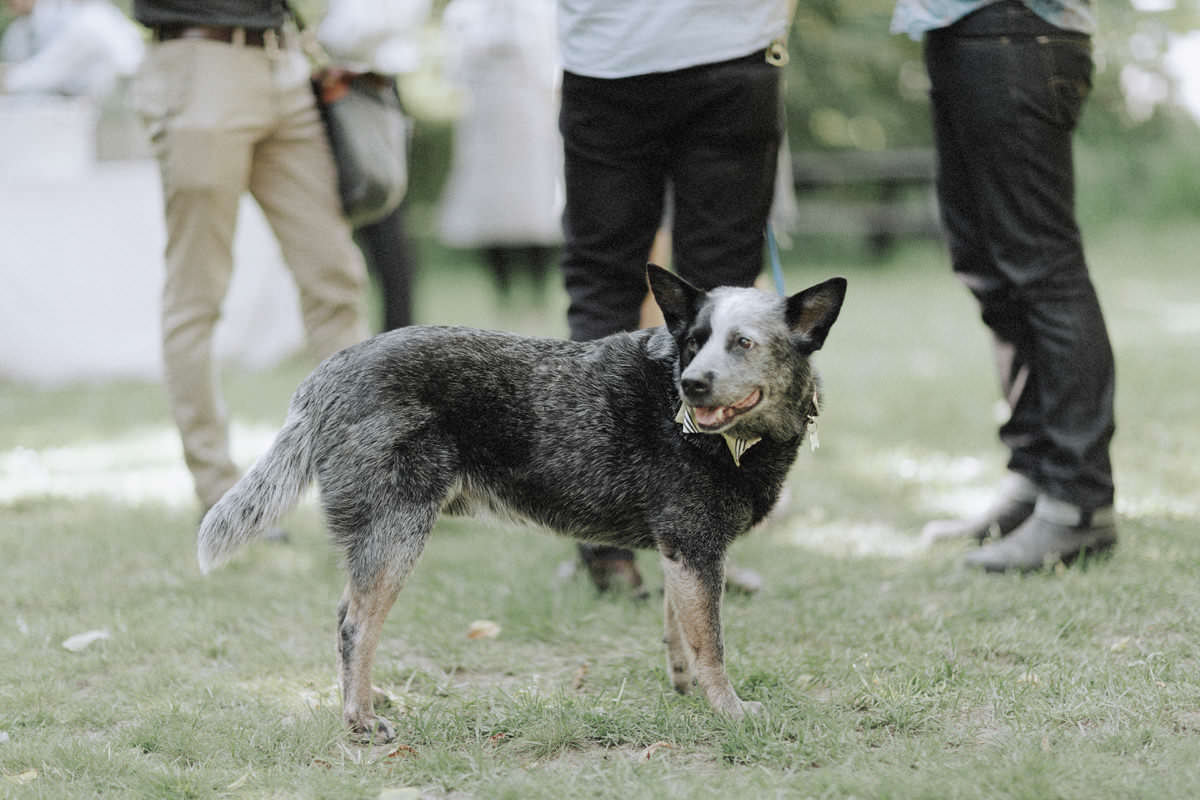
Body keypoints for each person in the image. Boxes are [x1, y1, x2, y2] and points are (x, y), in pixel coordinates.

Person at [556, 0, 791, 592]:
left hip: (608, 53)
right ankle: (701, 538)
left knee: (602, 289)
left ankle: (605, 545)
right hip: (729, 50)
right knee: (724, 295)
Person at [891, 0, 1117, 571]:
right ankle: (1034, 478)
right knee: (990, 270)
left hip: (1014, 32)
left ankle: (1078, 505)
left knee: (1044, 272)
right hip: (961, 31)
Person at [129, 1, 369, 515]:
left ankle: (357, 480)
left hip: (282, 58)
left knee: (335, 276)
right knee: (198, 292)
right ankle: (218, 490)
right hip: (198, 60)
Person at [437, 0, 563, 300]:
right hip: (487, 122)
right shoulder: (466, 11)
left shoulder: (542, 8)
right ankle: (502, 288)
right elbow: (456, 66)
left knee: (538, 202)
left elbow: (552, 62)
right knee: (490, 204)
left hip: (534, 119)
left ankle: (537, 289)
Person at [318, 0, 430, 331]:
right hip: (334, 83)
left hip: (368, 84)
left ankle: (398, 327)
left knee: (385, 213)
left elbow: (383, 22)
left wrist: (323, 40)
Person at [1, 0, 143, 98]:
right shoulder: (96, 13)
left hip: (123, 103)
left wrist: (8, 80)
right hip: (120, 99)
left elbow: (51, 68)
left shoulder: (90, 22)